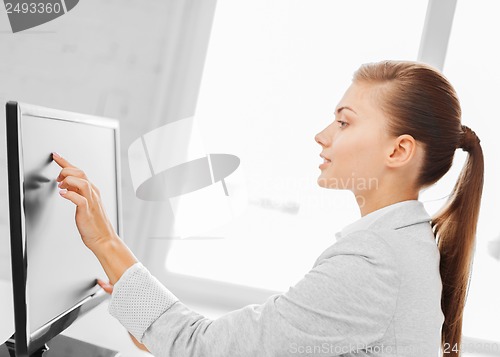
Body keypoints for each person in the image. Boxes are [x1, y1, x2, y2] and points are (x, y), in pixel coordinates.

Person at [52, 60, 484, 356]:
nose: (322, 135)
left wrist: (105, 241)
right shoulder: (401, 246)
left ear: (399, 150)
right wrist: (154, 325)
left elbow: (201, 347)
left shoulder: (373, 263)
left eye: (344, 121)